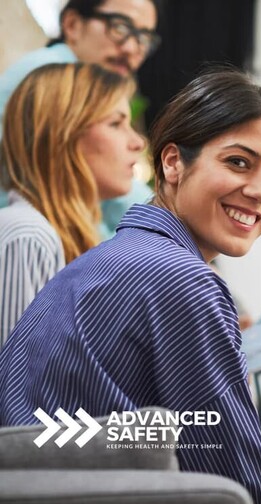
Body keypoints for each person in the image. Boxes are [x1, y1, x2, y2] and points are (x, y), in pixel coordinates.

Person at [0, 69, 261, 504]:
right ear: (172, 163)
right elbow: (233, 471)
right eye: (238, 162)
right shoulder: (182, 277)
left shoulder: (110, 256)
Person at [0, 62, 143, 345]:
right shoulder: (28, 234)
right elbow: (17, 370)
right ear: (61, 135)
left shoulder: (69, 238)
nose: (137, 142)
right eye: (115, 124)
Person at [0, 0, 160, 235]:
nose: (131, 48)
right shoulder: (52, 78)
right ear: (72, 24)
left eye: (143, 38)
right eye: (120, 27)